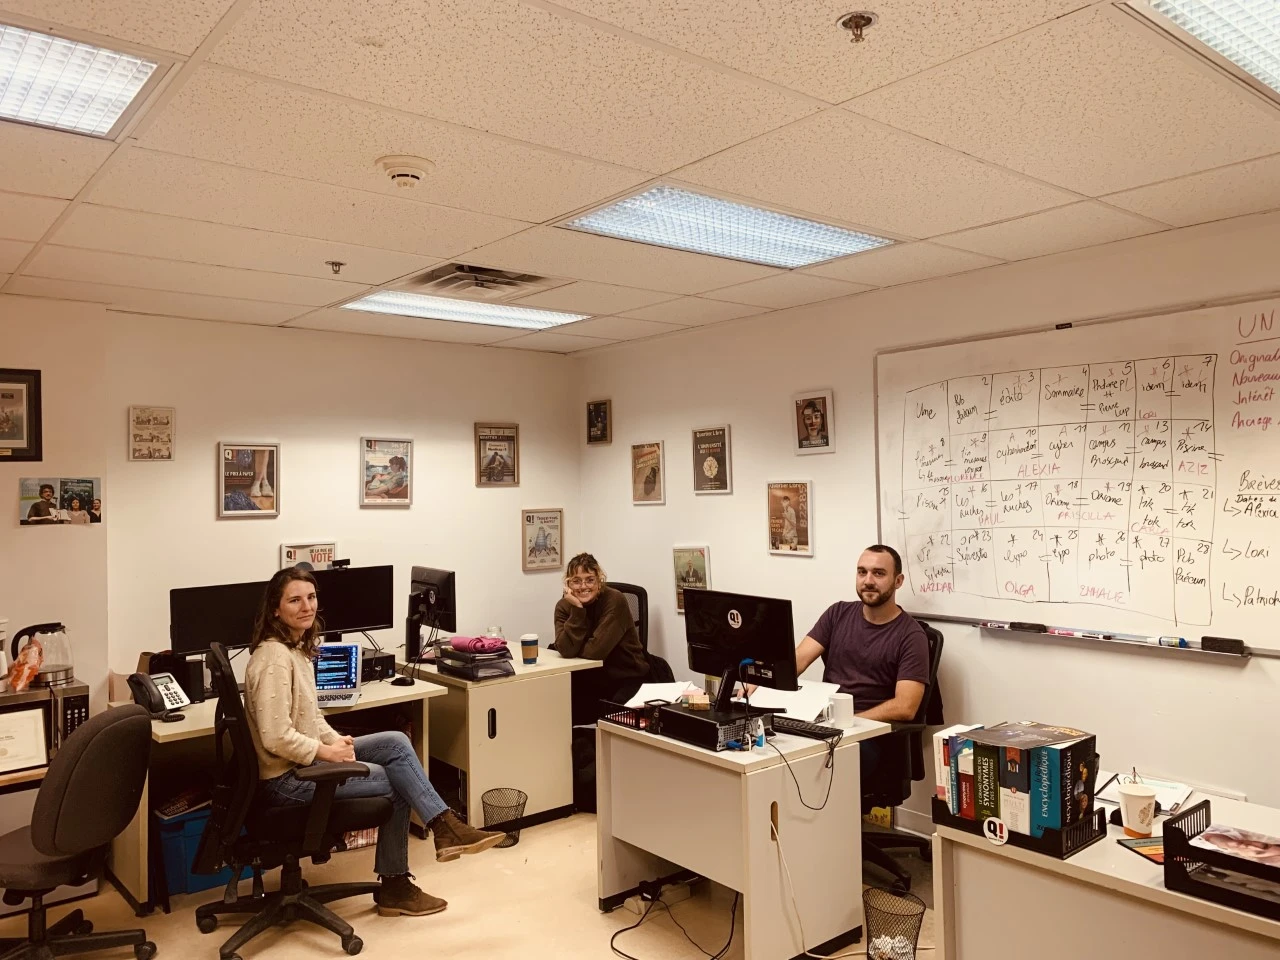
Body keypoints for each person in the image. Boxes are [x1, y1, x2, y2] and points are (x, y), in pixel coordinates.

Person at [245, 567, 504, 918]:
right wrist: (326, 753)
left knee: (395, 742)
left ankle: (444, 826)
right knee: (396, 781)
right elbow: (275, 736)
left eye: (311, 597)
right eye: (295, 600)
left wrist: (337, 741)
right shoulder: (275, 658)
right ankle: (397, 884)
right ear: (275, 609)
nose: (307, 606)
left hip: (303, 764)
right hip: (285, 781)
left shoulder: (295, 648)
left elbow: (311, 716)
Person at [794, 545, 930, 781]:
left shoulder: (911, 636)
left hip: (870, 737)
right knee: (776, 749)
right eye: (862, 572)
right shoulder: (838, 613)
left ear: (898, 581)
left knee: (804, 770)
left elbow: (905, 707)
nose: (868, 581)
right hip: (827, 724)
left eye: (879, 573)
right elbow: (798, 661)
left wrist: (851, 721)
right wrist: (759, 679)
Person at [553, 553, 650, 724]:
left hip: (625, 675)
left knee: (609, 718)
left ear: (599, 581)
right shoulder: (564, 606)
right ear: (568, 584)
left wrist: (576, 647)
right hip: (590, 677)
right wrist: (577, 609)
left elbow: (595, 652)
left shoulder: (615, 600)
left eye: (590, 580)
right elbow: (566, 650)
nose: (583, 586)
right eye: (576, 581)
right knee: (554, 706)